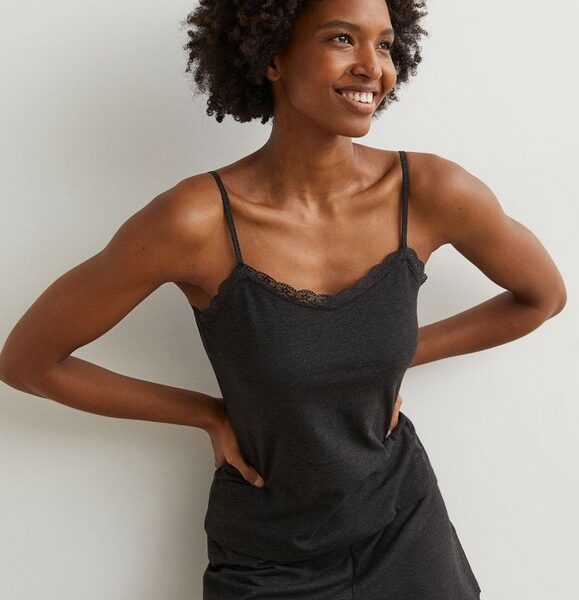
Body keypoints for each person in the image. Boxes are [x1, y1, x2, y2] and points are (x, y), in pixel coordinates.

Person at [0, 1, 567, 598]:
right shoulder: (195, 222)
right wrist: (208, 413)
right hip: (268, 556)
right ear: (273, 57)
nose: (372, 66)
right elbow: (29, 361)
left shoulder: (429, 192)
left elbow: (541, 297)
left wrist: (392, 358)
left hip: (403, 528)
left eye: (384, 44)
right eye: (342, 38)